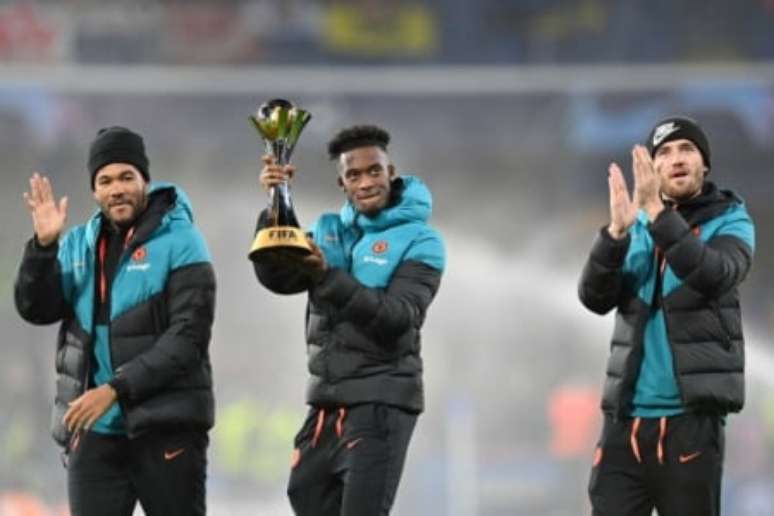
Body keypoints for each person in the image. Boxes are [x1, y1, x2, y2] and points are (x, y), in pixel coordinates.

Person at [14, 126, 216, 516]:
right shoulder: (76, 244)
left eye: (127, 177)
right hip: (96, 434)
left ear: (146, 181)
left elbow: (188, 339)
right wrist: (42, 248)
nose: (116, 189)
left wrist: (115, 389)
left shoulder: (183, 242)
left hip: (166, 428)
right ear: (95, 191)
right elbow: (35, 308)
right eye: (105, 180)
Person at [254, 125, 446, 515]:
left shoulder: (421, 241)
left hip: (380, 400)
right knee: (304, 496)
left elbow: (397, 318)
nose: (366, 182)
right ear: (342, 183)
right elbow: (277, 276)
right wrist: (275, 205)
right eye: (354, 175)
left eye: (374, 171)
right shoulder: (329, 232)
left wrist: (327, 276)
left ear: (391, 172)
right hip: (326, 403)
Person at [578, 116, 755, 516]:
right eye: (664, 152)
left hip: (689, 426)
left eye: (687, 149)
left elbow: (714, 275)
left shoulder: (731, 220)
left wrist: (657, 213)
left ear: (704, 164)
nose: (676, 158)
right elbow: (594, 298)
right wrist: (614, 236)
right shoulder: (636, 226)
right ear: (652, 169)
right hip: (625, 426)